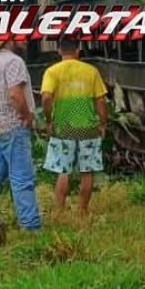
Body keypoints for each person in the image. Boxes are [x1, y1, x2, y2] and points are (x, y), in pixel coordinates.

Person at [0, 39, 41, 231]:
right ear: (10, 39)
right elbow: (15, 95)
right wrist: (27, 116)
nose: (26, 39)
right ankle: (31, 227)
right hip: (13, 126)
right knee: (22, 179)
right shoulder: (14, 62)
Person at [41, 38, 108, 212]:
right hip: (88, 127)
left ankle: (60, 211)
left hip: (63, 127)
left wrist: (48, 120)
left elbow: (46, 97)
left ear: (59, 51)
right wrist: (102, 123)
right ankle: (83, 211)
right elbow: (100, 101)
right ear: (78, 50)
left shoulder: (52, 72)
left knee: (63, 170)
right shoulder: (91, 71)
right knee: (87, 171)